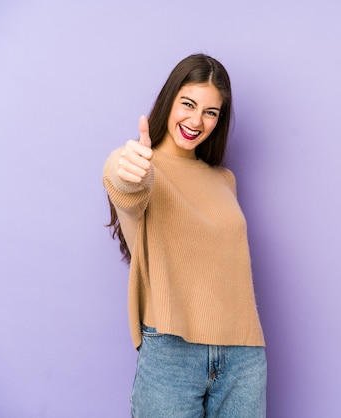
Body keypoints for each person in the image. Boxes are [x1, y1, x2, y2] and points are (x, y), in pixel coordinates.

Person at [102, 54, 266, 417]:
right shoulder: (141, 166)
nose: (197, 121)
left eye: (211, 112)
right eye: (188, 104)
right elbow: (125, 187)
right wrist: (124, 167)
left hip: (243, 357)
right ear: (169, 100)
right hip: (171, 355)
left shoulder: (224, 180)